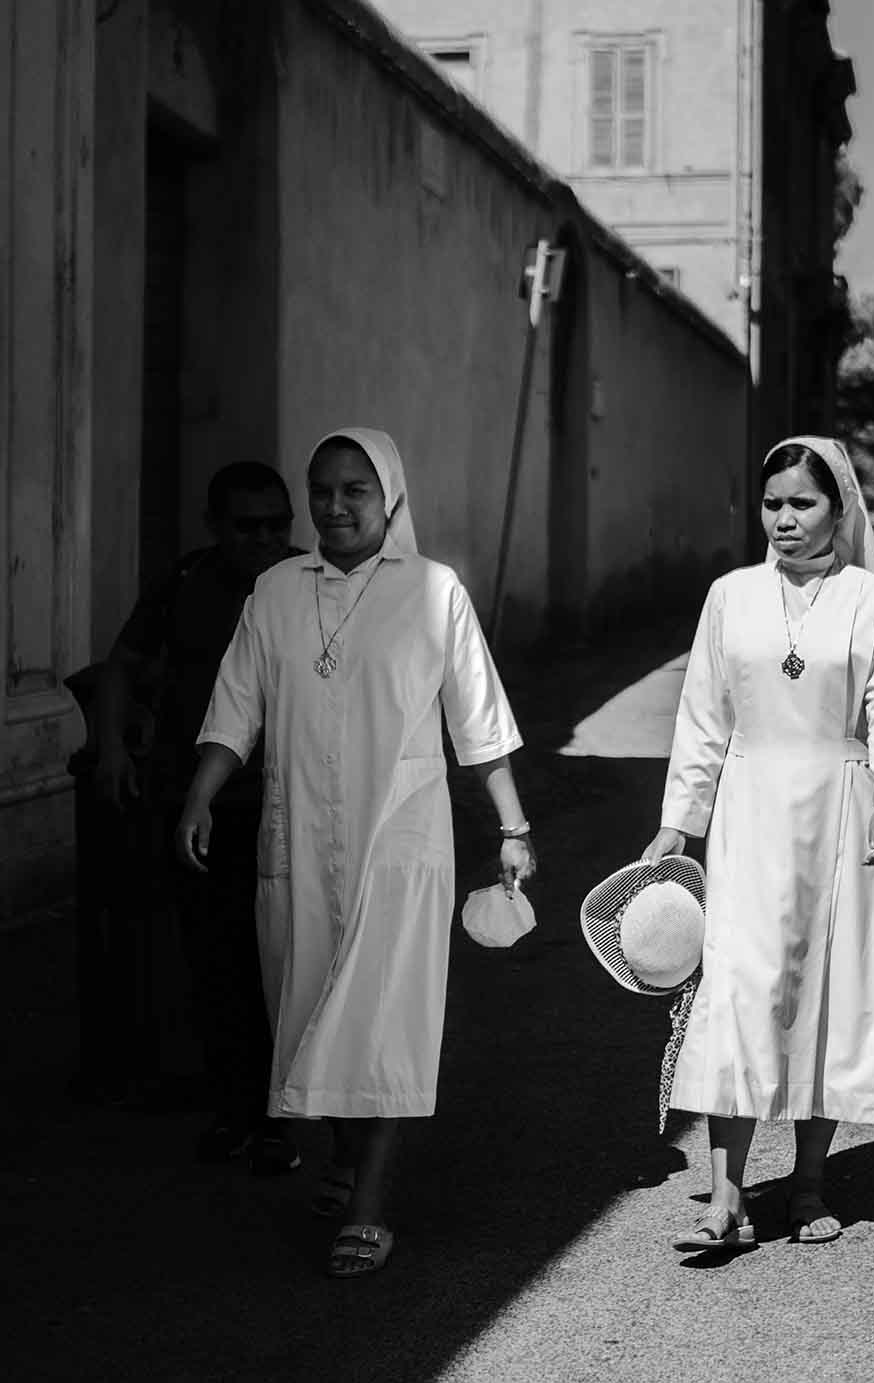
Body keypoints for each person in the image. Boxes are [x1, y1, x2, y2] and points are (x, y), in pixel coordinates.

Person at [175, 428, 537, 1279]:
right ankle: (344, 1155)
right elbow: (238, 702)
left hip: (399, 840)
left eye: (355, 491)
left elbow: (477, 722)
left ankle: (369, 1207)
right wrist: (199, 791)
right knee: (304, 1011)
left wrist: (513, 827)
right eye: (323, 490)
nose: (335, 506)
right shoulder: (273, 590)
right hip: (296, 832)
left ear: (391, 500)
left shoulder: (434, 591)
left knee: (382, 1023)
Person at [641, 435, 874, 1251]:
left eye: (802, 503)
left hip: (839, 804)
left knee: (825, 992)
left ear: (839, 509)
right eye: (772, 504)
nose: (785, 519)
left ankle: (807, 1185)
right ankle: (727, 1194)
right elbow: (702, 714)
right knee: (736, 989)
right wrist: (677, 820)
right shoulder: (730, 596)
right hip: (748, 811)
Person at [95, 461, 301, 1171]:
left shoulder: (310, 581)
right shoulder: (188, 583)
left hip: (291, 811)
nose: (268, 538)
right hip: (205, 807)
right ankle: (233, 1111)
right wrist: (112, 747)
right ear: (216, 526)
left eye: (280, 523)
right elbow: (122, 662)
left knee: (288, 964)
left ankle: (286, 1117)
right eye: (249, 525)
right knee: (216, 964)